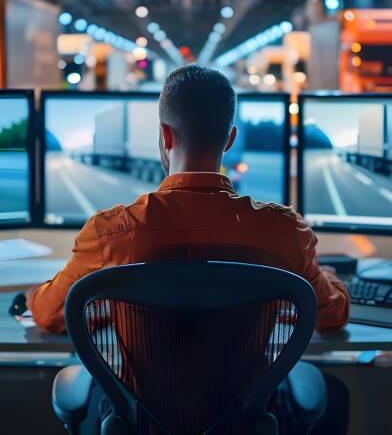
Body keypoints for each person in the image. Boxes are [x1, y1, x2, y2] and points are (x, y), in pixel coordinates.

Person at [26, 65, 350, 434]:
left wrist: (76, 301)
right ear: (229, 139)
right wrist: (328, 277)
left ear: (165, 134)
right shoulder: (284, 231)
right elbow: (332, 315)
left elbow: (50, 316)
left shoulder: (109, 233)